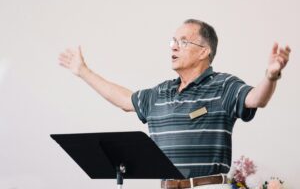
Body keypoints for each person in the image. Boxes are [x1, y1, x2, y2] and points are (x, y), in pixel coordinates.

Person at [58, 19, 291, 189]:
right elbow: (124, 100)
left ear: (204, 52)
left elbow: (256, 99)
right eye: (173, 41)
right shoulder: (161, 92)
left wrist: (271, 76)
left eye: (183, 41)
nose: (173, 46)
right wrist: (83, 72)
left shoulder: (223, 85)